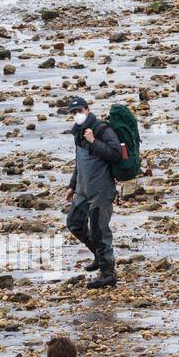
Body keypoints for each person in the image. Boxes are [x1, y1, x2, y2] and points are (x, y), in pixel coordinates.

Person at [63, 96, 124, 289]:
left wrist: (93, 141)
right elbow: (79, 162)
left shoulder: (102, 129)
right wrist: (72, 185)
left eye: (79, 111)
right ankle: (99, 256)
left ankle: (108, 273)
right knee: (74, 224)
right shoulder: (78, 132)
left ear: (87, 109)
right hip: (82, 189)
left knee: (99, 231)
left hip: (101, 190)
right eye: (73, 113)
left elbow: (115, 153)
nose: (76, 115)